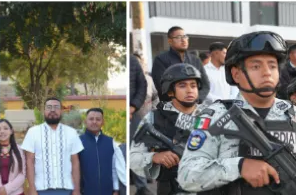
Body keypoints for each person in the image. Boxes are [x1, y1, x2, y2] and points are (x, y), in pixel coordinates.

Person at [176, 31, 296, 194]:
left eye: (272, 66)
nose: (267, 72)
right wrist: (239, 166)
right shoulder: (215, 115)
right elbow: (187, 175)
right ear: (236, 74)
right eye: (256, 66)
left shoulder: (295, 115)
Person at [130, 64, 203, 195]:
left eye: (193, 85)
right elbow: (133, 158)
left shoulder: (212, 115)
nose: (189, 90)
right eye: (182, 85)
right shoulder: (154, 117)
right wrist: (155, 157)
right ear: (170, 91)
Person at [20, 97, 84, 195]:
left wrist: (76, 189)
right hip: (40, 189)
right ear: (44, 111)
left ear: (61, 111)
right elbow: (29, 162)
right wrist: (32, 188)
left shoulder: (71, 133)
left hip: (66, 189)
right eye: (49, 107)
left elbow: (75, 163)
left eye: (56, 107)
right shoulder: (33, 132)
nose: (52, 110)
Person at [150, 27, 210, 103]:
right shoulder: (161, 59)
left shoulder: (195, 60)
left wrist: (196, 99)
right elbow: (161, 86)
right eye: (178, 37)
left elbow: (205, 84)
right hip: (170, 107)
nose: (183, 40)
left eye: (185, 37)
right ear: (170, 41)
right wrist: (180, 102)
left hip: (194, 106)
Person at [78, 108, 117, 195]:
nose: (94, 122)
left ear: (103, 122)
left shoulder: (110, 142)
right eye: (91, 119)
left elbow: (114, 168)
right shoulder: (78, 142)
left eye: (98, 119)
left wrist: (116, 190)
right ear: (85, 121)